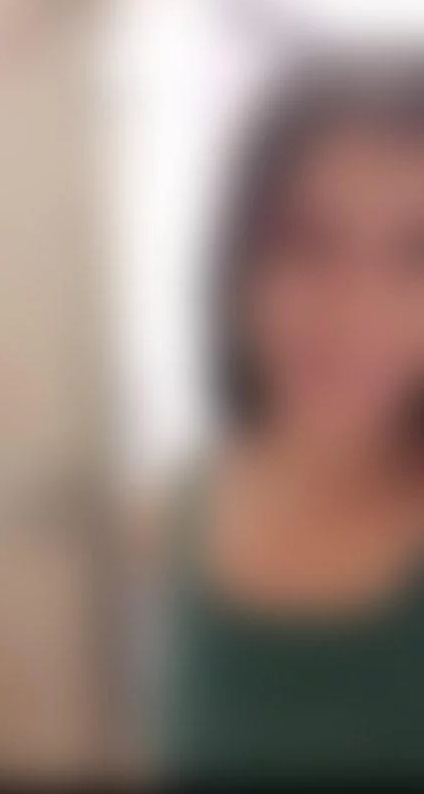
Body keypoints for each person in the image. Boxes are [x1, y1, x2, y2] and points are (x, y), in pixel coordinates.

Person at [153, 55, 424, 779]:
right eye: (307, 243)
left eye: (415, 255)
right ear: (239, 263)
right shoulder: (186, 505)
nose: (356, 311)